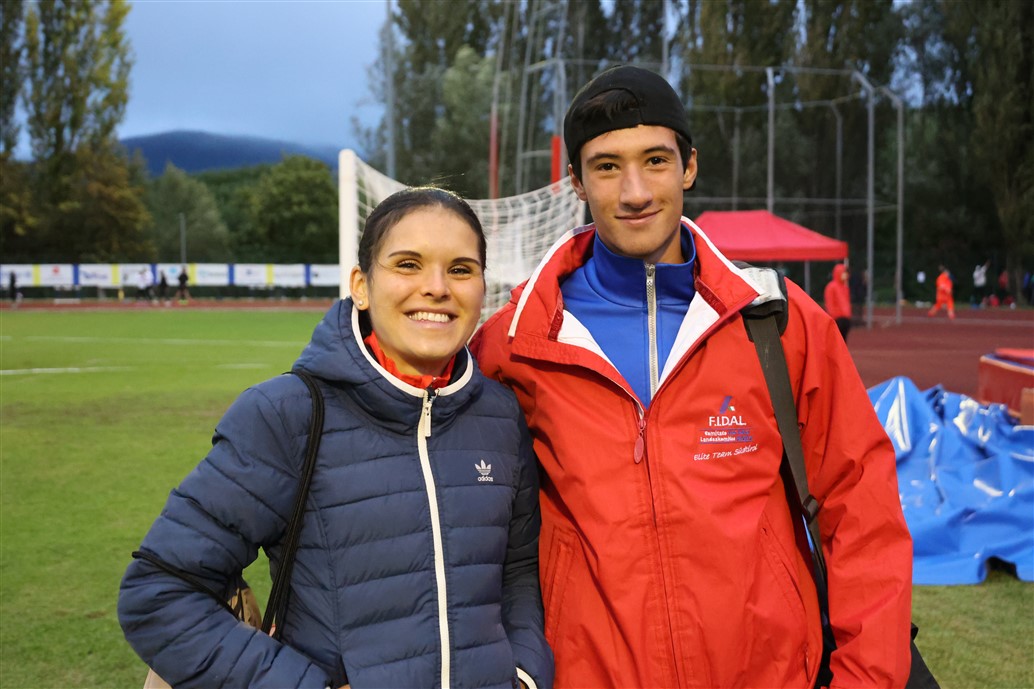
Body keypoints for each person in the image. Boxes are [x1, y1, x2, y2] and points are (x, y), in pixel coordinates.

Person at [471, 65, 913, 688]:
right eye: (606, 167)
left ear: (689, 167)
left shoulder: (776, 321)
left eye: (655, 160)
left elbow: (861, 511)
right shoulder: (516, 342)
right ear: (575, 182)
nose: (635, 192)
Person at [119, 187, 553, 689]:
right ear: (361, 286)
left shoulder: (500, 414)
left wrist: (523, 674)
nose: (436, 287)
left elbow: (517, 572)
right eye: (408, 264)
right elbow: (160, 590)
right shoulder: (286, 413)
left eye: (460, 269)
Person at [823, 262, 852, 341]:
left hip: (845, 318)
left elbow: (846, 303)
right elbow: (830, 303)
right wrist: (833, 317)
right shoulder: (831, 287)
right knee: (836, 341)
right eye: (844, 273)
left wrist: (848, 314)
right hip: (837, 319)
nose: (846, 275)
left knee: (843, 340)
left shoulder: (845, 287)